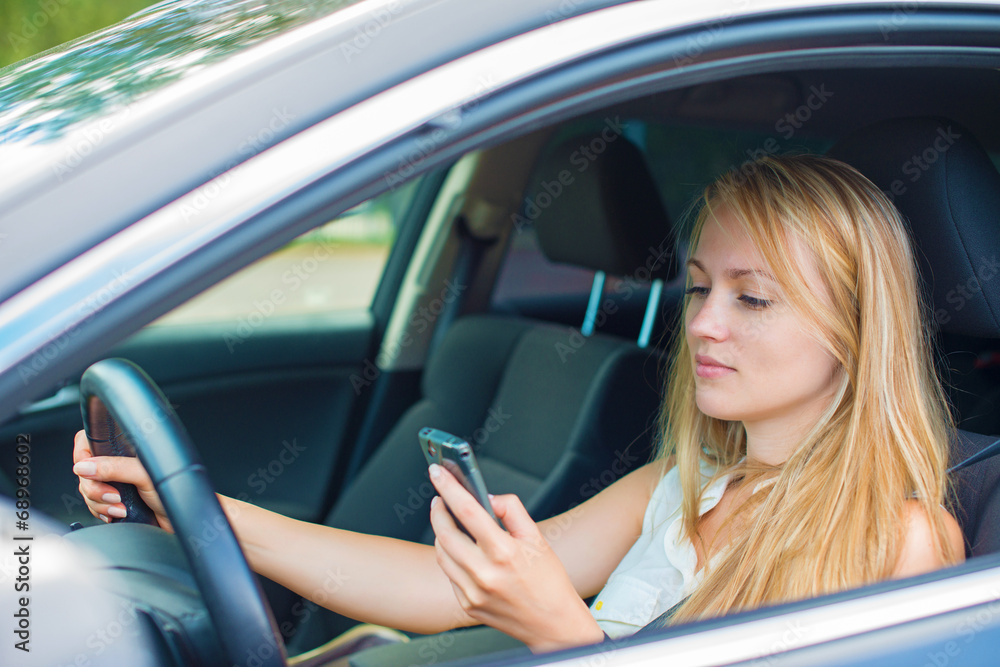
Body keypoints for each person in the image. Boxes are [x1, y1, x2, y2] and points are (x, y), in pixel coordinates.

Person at [72, 154, 965, 653]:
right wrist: (202, 514)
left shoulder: (902, 540)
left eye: (752, 297)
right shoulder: (684, 482)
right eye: (696, 291)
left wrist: (558, 626)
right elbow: (434, 586)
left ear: (854, 331)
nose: (702, 327)